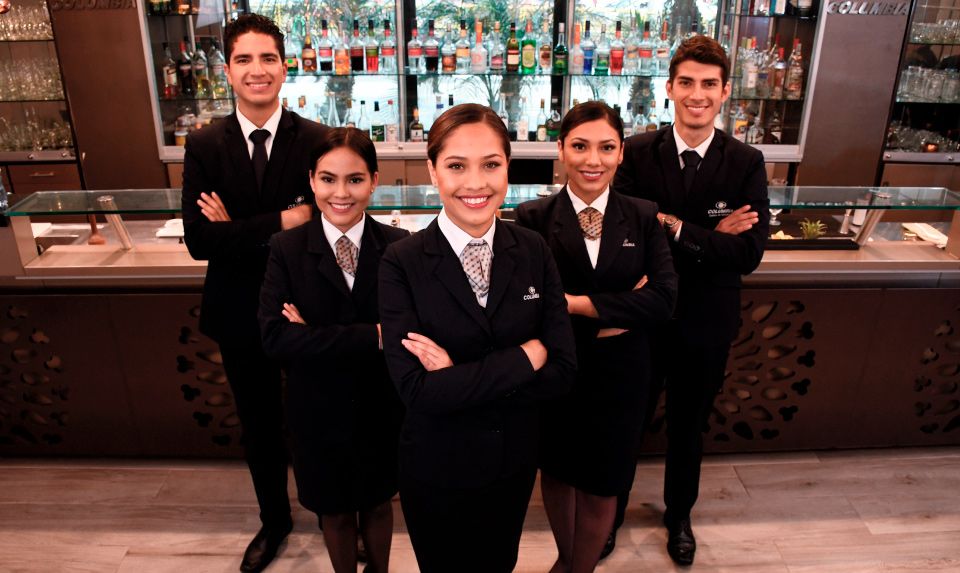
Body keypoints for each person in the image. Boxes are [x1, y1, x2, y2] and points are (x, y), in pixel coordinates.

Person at [378, 103, 577, 573]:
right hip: (436, 463)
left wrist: (456, 376)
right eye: (456, 166)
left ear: (508, 167)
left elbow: (564, 370)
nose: (475, 183)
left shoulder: (533, 249)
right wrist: (525, 357)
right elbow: (417, 390)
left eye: (490, 165)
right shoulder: (401, 262)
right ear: (433, 171)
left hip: (513, 461)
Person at [610, 35, 770, 566]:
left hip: (707, 319)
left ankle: (679, 516)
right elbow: (625, 239)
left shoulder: (746, 161)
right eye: (686, 83)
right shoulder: (635, 153)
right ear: (669, 88)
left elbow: (747, 254)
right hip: (643, 317)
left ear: (724, 92)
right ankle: (608, 516)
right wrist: (709, 237)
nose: (696, 94)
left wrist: (674, 227)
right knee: (628, 421)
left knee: (689, 425)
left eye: (708, 84)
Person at [181, 13, 327, 573]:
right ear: (227, 70)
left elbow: (326, 227)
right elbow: (200, 241)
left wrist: (237, 228)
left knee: (316, 418)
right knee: (259, 426)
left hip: (308, 305)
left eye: (268, 58)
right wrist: (283, 220)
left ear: (284, 67)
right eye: (244, 59)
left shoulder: (316, 140)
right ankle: (275, 522)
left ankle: (334, 514)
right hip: (238, 309)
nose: (256, 70)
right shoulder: (204, 144)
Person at [515, 101, 677, 572]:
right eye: (580, 146)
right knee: (558, 473)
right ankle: (565, 561)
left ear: (621, 153)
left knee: (605, 483)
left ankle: (580, 569)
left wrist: (573, 303)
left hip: (622, 372)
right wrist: (619, 306)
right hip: (558, 368)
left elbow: (664, 300)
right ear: (561, 149)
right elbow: (529, 305)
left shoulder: (643, 215)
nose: (593, 160)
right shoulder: (533, 217)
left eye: (606, 148)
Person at [258, 127, 407, 573]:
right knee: (335, 512)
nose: (341, 193)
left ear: (374, 181)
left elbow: (405, 334)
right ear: (311, 180)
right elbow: (275, 338)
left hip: (381, 405)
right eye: (328, 179)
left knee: (378, 504)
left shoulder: (399, 247)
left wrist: (314, 335)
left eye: (354, 179)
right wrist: (372, 336)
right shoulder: (286, 248)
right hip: (317, 409)